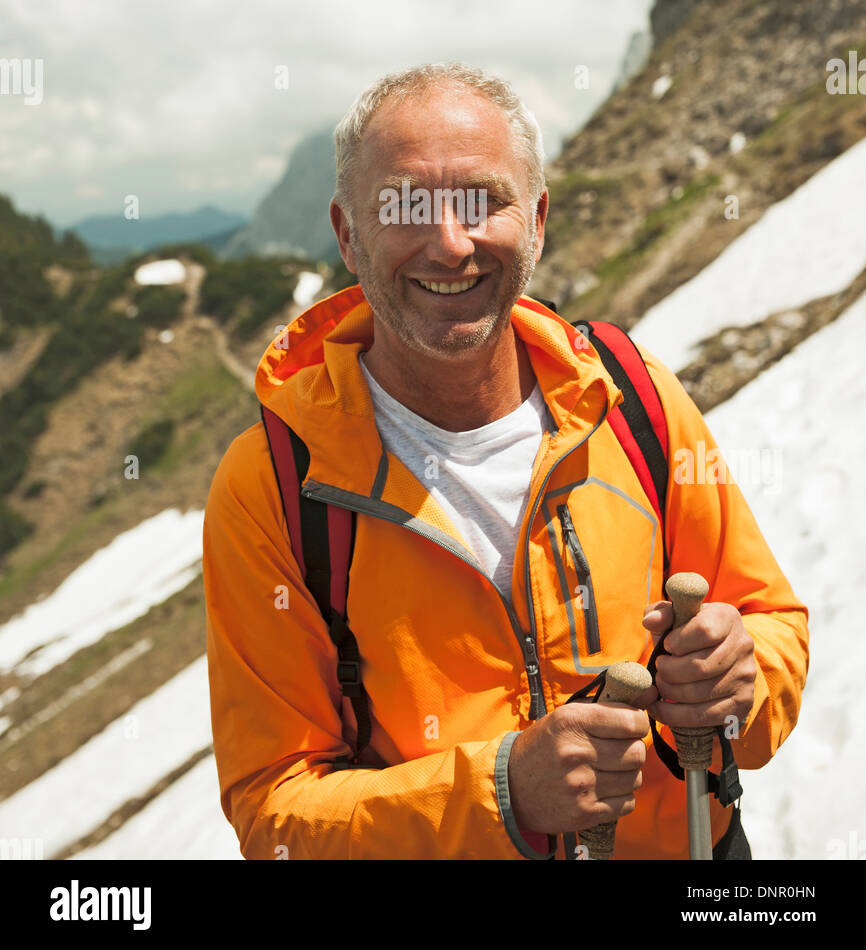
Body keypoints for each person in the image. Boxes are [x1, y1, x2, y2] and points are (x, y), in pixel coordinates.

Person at [203, 62, 808, 860]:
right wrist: (503, 795)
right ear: (348, 235)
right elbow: (273, 812)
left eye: (484, 201)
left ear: (538, 222)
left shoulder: (634, 398)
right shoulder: (273, 486)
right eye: (406, 206)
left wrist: (742, 681)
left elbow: (771, 628)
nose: (451, 244)